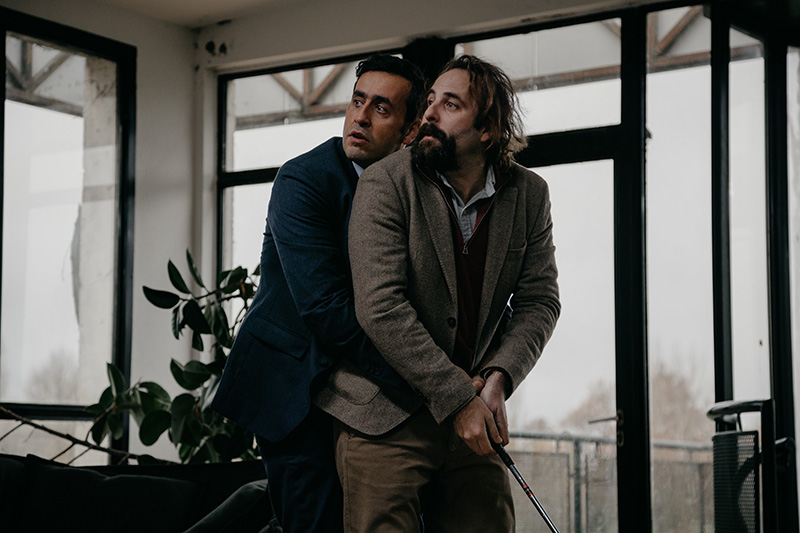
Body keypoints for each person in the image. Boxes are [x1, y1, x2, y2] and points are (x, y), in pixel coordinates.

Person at [315, 55, 561, 532]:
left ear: (487, 129)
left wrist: (499, 379)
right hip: (384, 415)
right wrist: (458, 398)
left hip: (474, 415)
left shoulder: (530, 194)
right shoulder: (386, 181)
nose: (428, 113)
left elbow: (540, 301)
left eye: (450, 104)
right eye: (430, 101)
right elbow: (381, 306)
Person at [211, 55, 424, 533]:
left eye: (381, 109)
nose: (360, 117)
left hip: (363, 395)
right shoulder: (304, 179)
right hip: (295, 388)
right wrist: (427, 379)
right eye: (357, 101)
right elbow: (326, 308)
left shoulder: (409, 191)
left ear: (410, 131)